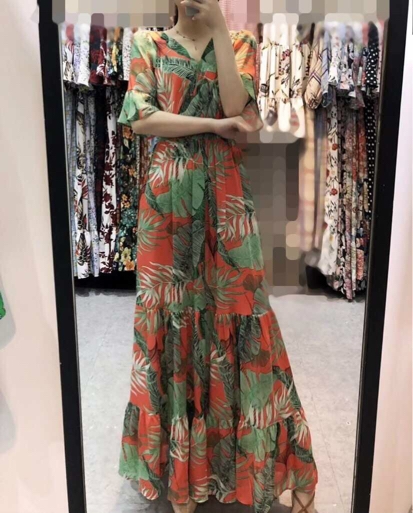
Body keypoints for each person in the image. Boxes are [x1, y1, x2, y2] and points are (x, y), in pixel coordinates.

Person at [117, 1, 318, 512]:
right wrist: (212, 126)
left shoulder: (241, 44)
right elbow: (140, 118)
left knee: (245, 314)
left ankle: (268, 468)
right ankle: (182, 478)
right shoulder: (147, 44)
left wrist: (222, 27)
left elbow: (238, 106)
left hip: (227, 201)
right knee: (174, 323)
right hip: (167, 205)